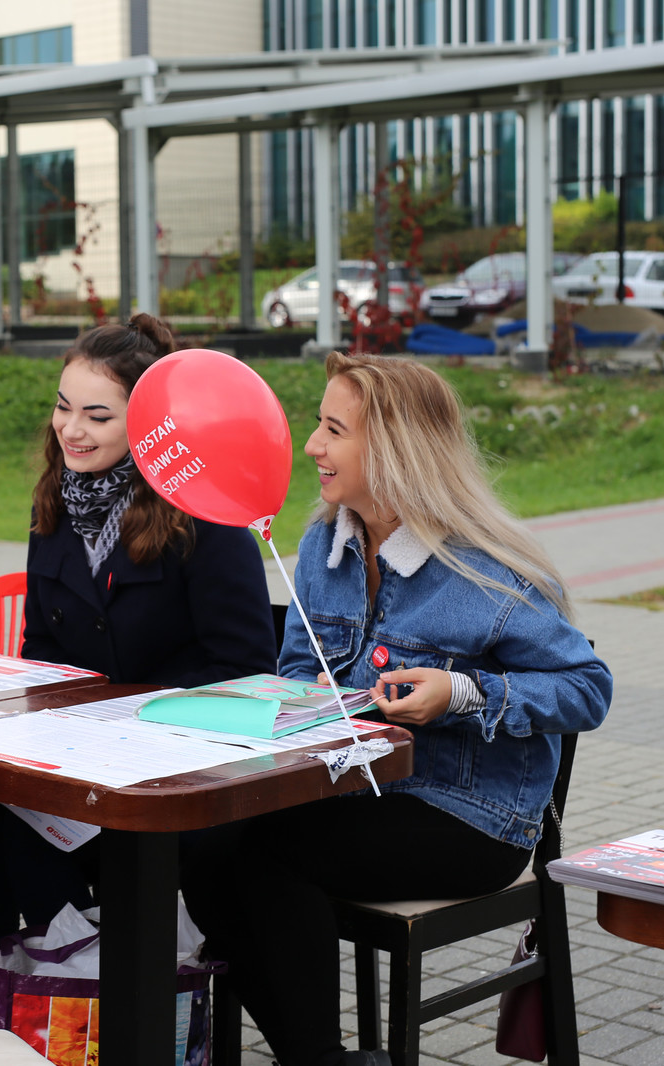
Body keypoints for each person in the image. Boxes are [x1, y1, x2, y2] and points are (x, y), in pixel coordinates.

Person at [179, 351, 613, 1066]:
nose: (311, 446)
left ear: (394, 450)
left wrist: (463, 693)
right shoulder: (322, 546)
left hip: (470, 818)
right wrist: (288, 705)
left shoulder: (486, 573)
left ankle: (319, 1058)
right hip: (350, 794)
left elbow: (588, 689)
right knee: (203, 848)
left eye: (333, 430)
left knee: (262, 858)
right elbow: (300, 671)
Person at [0, 315, 278, 941]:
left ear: (148, 423)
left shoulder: (204, 516)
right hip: (83, 760)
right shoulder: (56, 500)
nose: (71, 429)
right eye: (63, 407)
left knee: (28, 839)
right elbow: (42, 648)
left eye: (97, 417)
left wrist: (125, 717)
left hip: (178, 774)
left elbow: (248, 673)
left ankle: (86, 984)